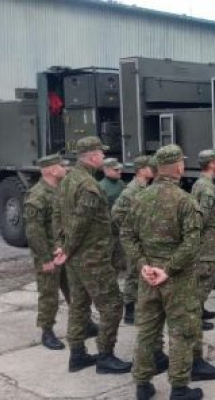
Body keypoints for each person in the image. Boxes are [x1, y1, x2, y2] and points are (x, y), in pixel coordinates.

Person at [120, 144, 215, 400]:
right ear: (178, 167)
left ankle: (142, 385)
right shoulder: (184, 200)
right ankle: (179, 388)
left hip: (148, 278)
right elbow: (192, 243)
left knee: (147, 332)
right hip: (177, 280)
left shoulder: (140, 197)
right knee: (181, 333)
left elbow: (126, 235)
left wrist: (142, 264)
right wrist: (168, 270)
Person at [54, 136, 131, 374]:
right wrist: (66, 248)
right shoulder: (88, 185)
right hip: (91, 257)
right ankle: (105, 356)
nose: (104, 156)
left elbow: (57, 215)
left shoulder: (67, 180)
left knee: (79, 305)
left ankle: (77, 355)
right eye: (101, 153)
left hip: (76, 257)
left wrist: (62, 246)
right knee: (112, 305)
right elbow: (80, 223)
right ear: (92, 156)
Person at [110, 155, 170, 375]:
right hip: (136, 244)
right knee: (133, 276)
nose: (152, 169)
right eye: (148, 167)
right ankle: (130, 309)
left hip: (143, 244)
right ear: (141, 170)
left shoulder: (145, 188)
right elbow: (117, 213)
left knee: (138, 277)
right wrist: (133, 230)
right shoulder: (132, 190)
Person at [24, 154, 70, 350]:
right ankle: (47, 331)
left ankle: (83, 323)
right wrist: (45, 258)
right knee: (49, 294)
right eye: (62, 166)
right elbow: (34, 232)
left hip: (65, 251)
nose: (66, 169)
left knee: (75, 290)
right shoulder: (37, 195)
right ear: (52, 170)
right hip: (49, 253)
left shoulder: (61, 189)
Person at [191, 150, 215, 331]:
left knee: (203, 277)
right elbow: (202, 217)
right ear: (211, 163)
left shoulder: (200, 183)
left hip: (205, 240)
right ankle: (195, 317)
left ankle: (200, 309)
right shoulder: (207, 188)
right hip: (206, 242)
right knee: (205, 278)